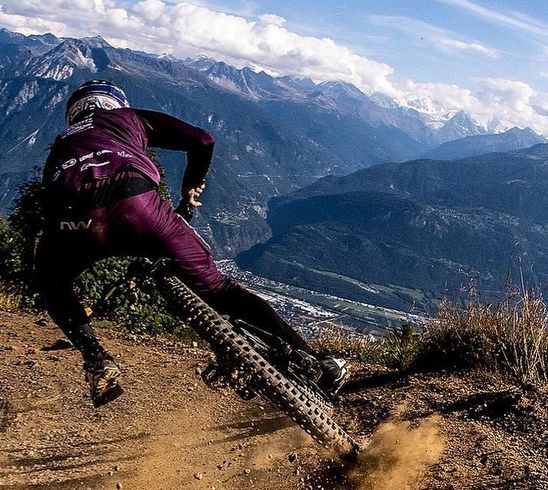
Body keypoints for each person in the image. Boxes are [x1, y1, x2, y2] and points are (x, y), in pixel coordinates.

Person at [34, 79, 349, 406]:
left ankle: (96, 359)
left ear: (74, 114)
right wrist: (192, 185)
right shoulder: (127, 119)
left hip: (69, 220)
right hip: (134, 207)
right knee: (220, 289)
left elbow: (50, 198)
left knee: (51, 282)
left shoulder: (61, 143)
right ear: (117, 105)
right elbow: (203, 138)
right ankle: (319, 364)